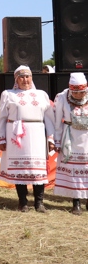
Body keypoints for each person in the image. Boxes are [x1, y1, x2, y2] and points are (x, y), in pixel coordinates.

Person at [0, 66, 54, 213]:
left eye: (28, 76)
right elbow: (1, 118)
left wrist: (51, 138)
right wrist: (1, 138)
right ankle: (23, 202)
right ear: (16, 79)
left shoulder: (41, 95)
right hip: (16, 135)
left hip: (37, 133)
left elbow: (49, 119)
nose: (25, 80)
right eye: (21, 77)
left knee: (37, 169)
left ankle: (39, 203)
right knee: (20, 169)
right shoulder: (8, 94)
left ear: (32, 78)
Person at [51, 73, 88, 215]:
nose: (79, 95)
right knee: (74, 170)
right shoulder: (62, 97)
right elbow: (57, 123)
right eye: (76, 92)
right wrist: (57, 141)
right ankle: (76, 203)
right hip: (71, 138)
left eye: (82, 92)